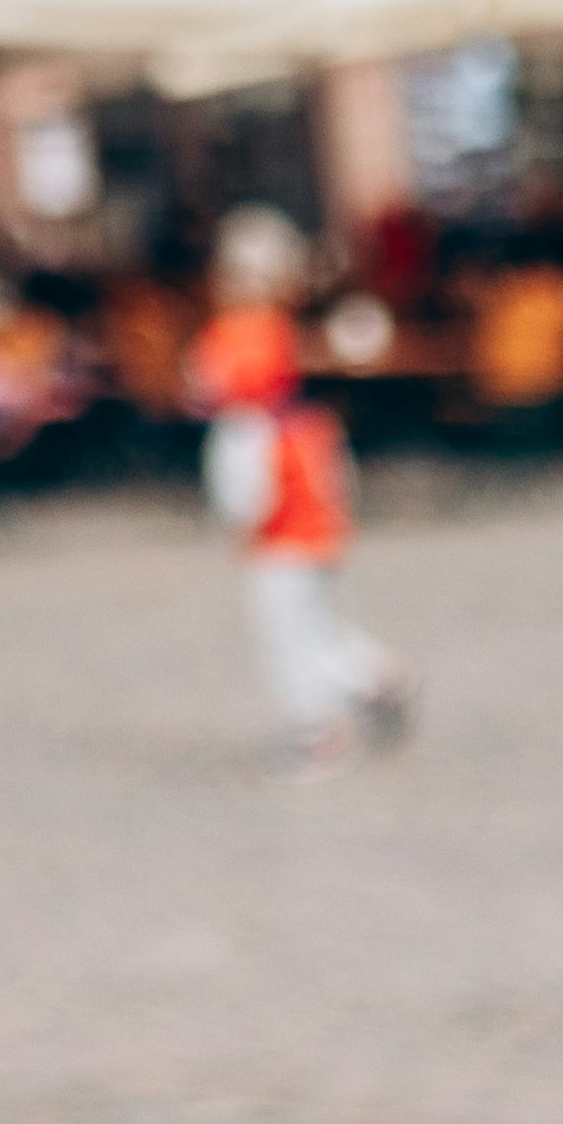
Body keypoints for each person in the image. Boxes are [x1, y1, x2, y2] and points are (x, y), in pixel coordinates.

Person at [190, 213, 416, 773]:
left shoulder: (238, 340)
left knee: (288, 625)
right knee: (318, 617)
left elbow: (225, 412)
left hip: (279, 508)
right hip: (314, 495)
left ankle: (314, 730)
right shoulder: (283, 334)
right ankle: (375, 679)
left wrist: (237, 515)